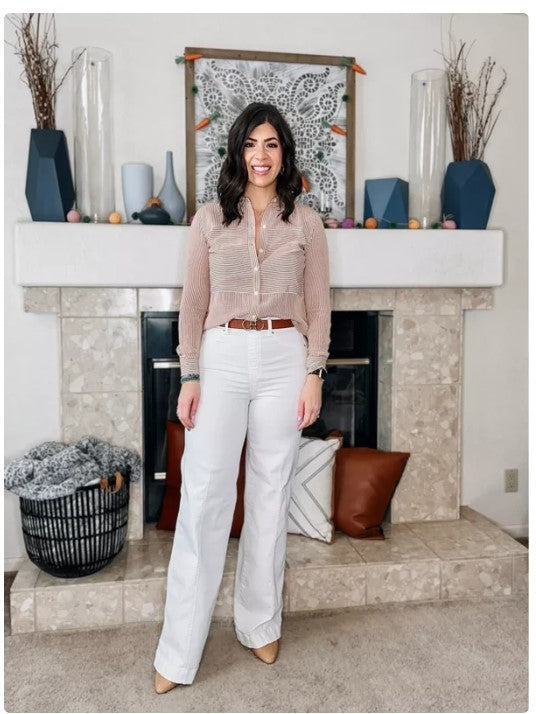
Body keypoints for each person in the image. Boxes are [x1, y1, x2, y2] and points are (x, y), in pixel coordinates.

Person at [153, 101, 331, 693]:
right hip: (222, 356)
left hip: (285, 357)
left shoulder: (306, 223)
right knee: (204, 495)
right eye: (252, 144)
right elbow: (192, 302)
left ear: (284, 154)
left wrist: (315, 372)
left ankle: (260, 624)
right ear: (237, 152)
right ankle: (178, 653)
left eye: (272, 144)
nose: (261, 155)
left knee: (271, 493)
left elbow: (319, 303)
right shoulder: (208, 220)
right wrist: (190, 375)